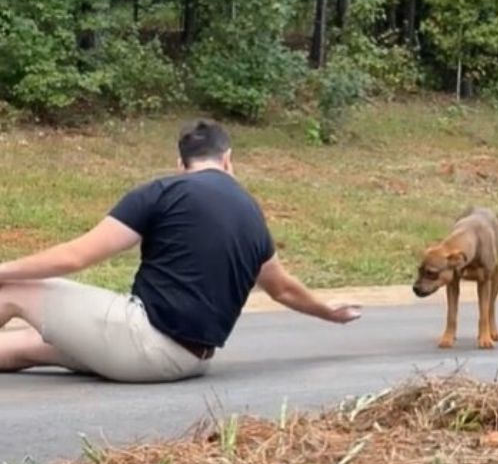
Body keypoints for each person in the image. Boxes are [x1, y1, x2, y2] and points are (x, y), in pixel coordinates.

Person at [0, 120, 361, 382]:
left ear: (180, 165)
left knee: (16, 289)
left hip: (144, 343)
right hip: (190, 361)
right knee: (25, 345)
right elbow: (281, 288)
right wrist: (327, 312)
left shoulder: (163, 192)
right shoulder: (252, 214)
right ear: (228, 160)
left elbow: (75, 257)